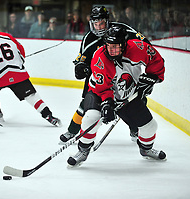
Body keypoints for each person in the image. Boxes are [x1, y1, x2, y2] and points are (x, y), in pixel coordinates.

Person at [67, 25, 166, 167]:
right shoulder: (100, 57)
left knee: (150, 127)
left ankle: (146, 149)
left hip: (128, 96)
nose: (111, 50)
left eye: (116, 46)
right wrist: (107, 103)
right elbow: (102, 88)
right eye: (109, 46)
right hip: (98, 94)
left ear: (124, 44)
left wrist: (152, 77)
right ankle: (83, 151)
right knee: (92, 118)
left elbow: (156, 60)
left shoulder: (138, 48)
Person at [59, 6, 151, 144]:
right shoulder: (89, 38)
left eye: (101, 23)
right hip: (99, 77)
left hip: (123, 75)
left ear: (107, 21)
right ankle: (72, 131)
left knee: (136, 101)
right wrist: (80, 67)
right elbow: (81, 60)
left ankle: (135, 128)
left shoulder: (121, 30)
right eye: (95, 24)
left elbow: (144, 44)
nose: (99, 27)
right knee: (85, 104)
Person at [0, 18, 61, 126]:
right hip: (17, 73)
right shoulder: (7, 35)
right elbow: (21, 51)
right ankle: (48, 115)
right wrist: (18, 64)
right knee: (31, 95)